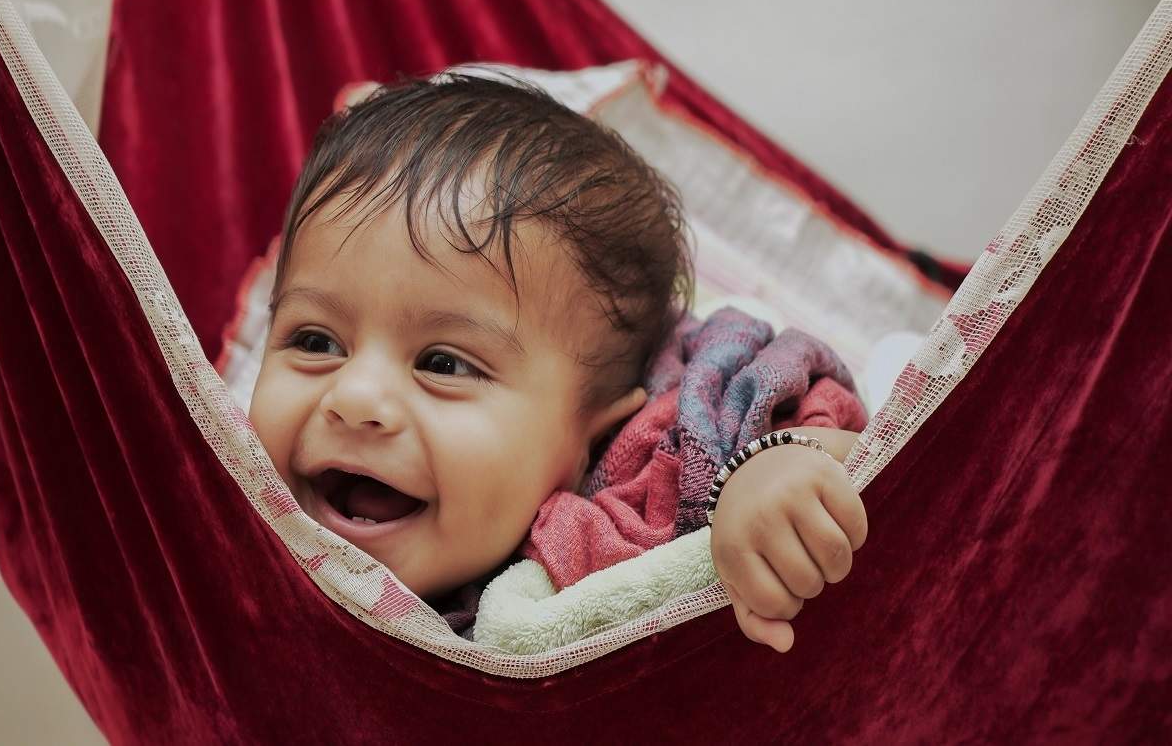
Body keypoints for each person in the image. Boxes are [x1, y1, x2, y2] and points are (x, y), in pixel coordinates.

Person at [247, 74, 867, 653]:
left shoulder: (663, 464)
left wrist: (765, 475)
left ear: (592, 436)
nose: (353, 398)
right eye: (315, 342)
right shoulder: (221, 512)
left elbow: (839, 440)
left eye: (443, 363)